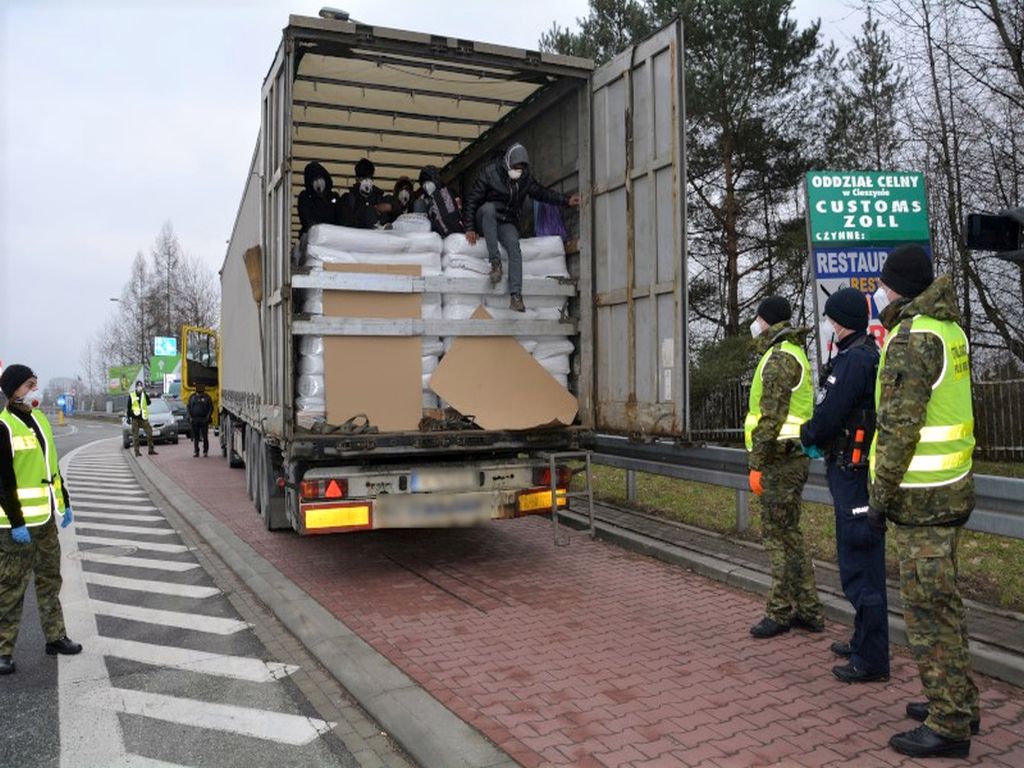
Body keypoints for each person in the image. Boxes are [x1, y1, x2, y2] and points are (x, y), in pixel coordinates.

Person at [868, 245, 979, 759]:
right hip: (952, 491)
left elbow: (898, 428)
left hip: (921, 502)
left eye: (885, 285)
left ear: (899, 287)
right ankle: (960, 700)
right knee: (947, 604)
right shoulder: (950, 330)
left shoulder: (912, 338)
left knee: (928, 610)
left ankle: (949, 724)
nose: (880, 293)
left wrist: (878, 495)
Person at [800, 288, 890, 683]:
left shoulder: (853, 360)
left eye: (831, 319)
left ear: (841, 322)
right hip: (857, 472)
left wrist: (808, 434)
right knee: (861, 560)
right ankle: (862, 641)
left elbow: (828, 414)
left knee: (860, 564)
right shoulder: (869, 353)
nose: (829, 325)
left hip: (852, 474)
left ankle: (871, 659)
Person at [744, 296, 824, 638]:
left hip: (779, 460)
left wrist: (757, 463)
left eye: (758, 318)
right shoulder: (792, 353)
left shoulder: (778, 359)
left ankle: (778, 612)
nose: (755, 324)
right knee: (791, 537)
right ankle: (808, 610)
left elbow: (771, 418)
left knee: (777, 539)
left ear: (767, 321)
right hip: (791, 457)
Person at [0, 364, 83, 675]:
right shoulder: (4, 426)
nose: (33, 389)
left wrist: (66, 503)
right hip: (14, 527)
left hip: (46, 521)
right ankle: (3, 650)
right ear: (13, 390)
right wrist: (17, 521)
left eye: (34, 384)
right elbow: (3, 482)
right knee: (10, 587)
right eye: (28, 385)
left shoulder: (39, 420)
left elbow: (52, 469)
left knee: (50, 581)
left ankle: (55, 637)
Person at [463, 143, 581, 312]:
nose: (518, 171)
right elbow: (473, 200)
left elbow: (542, 193)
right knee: (488, 209)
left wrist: (566, 200)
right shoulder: (490, 172)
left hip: (506, 220)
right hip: (486, 218)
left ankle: (516, 296)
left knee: (514, 245)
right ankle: (495, 264)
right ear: (507, 163)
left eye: (521, 168)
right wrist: (470, 227)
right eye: (516, 167)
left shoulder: (525, 178)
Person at [339, 158, 392, 229]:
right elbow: (346, 222)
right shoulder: (349, 199)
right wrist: (372, 211)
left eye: (369, 178)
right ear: (357, 179)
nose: (366, 182)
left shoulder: (378, 197)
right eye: (362, 178)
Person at [413, 166, 465, 237]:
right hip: (436, 234)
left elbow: (457, 213)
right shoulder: (423, 201)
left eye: (428, 180)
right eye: (423, 182)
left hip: (453, 231)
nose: (426, 185)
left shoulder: (448, 192)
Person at [297, 160, 341, 236]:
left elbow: (340, 219)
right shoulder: (305, 197)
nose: (318, 182)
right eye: (314, 180)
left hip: (332, 236)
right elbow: (306, 219)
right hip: (312, 235)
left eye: (320, 178)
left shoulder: (334, 196)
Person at [126, 381, 158, 457]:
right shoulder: (132, 395)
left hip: (143, 418)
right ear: (136, 387)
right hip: (135, 419)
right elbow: (129, 407)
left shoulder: (144, 394)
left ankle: (151, 449)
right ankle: (137, 452)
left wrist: (145, 394)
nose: (139, 387)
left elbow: (149, 403)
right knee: (136, 436)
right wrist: (128, 417)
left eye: (141, 385)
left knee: (149, 433)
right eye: (138, 385)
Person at [187, 383, 214, 458]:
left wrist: (207, 417)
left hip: (203, 419)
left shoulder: (207, 397)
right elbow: (188, 407)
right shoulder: (192, 397)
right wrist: (190, 417)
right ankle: (196, 451)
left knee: (205, 436)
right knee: (196, 437)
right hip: (194, 419)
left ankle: (205, 451)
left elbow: (210, 408)